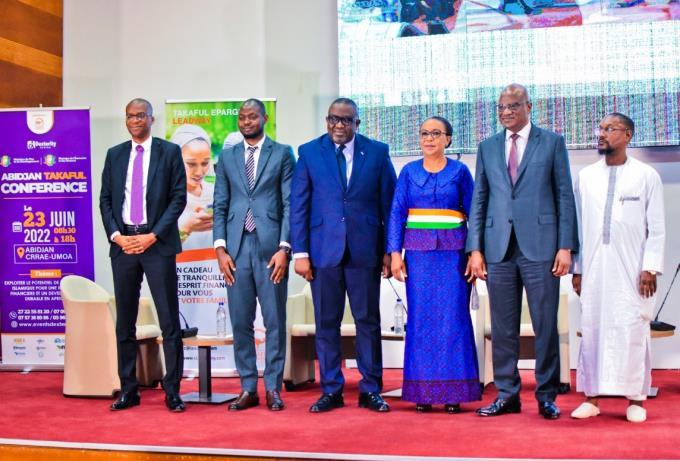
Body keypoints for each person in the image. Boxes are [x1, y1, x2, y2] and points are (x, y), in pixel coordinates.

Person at [465, 84, 578, 419]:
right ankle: (507, 394)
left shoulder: (552, 142)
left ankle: (546, 395)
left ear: (529, 106)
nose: (506, 112)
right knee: (503, 327)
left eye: (513, 106)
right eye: (501, 107)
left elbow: (564, 196)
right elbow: (480, 199)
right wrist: (475, 248)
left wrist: (566, 246)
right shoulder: (487, 147)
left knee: (545, 324)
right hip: (498, 248)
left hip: (541, 247)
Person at [290, 97, 397, 413]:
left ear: (356, 123)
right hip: (323, 252)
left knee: (367, 321)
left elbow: (389, 205)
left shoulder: (377, 152)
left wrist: (390, 251)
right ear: (327, 121)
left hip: (365, 250)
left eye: (345, 120)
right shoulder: (309, 152)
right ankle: (331, 390)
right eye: (333, 119)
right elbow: (299, 206)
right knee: (326, 322)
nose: (338, 125)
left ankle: (370, 389)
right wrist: (300, 253)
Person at [570, 113, 665, 423]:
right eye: (600, 128)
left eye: (610, 129)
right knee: (593, 329)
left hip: (633, 270)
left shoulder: (646, 175)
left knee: (633, 328)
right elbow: (578, 228)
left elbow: (657, 228)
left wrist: (650, 267)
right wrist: (578, 269)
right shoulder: (586, 177)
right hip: (594, 269)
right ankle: (592, 398)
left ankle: (636, 399)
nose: (602, 133)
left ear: (627, 135)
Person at [99, 98, 187, 412]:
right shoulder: (115, 154)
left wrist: (153, 235)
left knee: (169, 321)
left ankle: (172, 391)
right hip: (124, 245)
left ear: (151, 118)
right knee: (125, 322)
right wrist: (117, 236)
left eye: (140, 115)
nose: (135, 120)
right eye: (130, 116)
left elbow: (178, 199)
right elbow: (105, 200)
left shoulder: (169, 152)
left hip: (157, 244)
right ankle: (128, 389)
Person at [388, 116, 481, 413]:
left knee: (453, 319)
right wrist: (394, 253)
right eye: (424, 133)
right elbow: (396, 213)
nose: (429, 138)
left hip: (454, 256)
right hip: (418, 257)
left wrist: (475, 252)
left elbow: (475, 213)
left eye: (436, 133)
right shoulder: (408, 172)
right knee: (421, 321)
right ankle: (423, 392)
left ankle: (455, 392)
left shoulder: (460, 172)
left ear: (448, 139)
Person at [213, 99, 295, 411]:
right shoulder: (228, 156)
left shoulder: (282, 153)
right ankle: (248, 387)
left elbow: (289, 204)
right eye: (242, 117)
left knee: (274, 321)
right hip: (235, 249)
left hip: (271, 250)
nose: (246, 122)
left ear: (264, 118)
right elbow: (220, 203)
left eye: (252, 116)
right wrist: (220, 249)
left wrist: (285, 248)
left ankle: (273, 387)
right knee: (240, 321)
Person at [170, 124, 214, 250]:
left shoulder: (217, 192)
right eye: (191, 164)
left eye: (205, 163)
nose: (199, 172)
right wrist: (187, 229)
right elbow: (156, 249)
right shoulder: (163, 195)